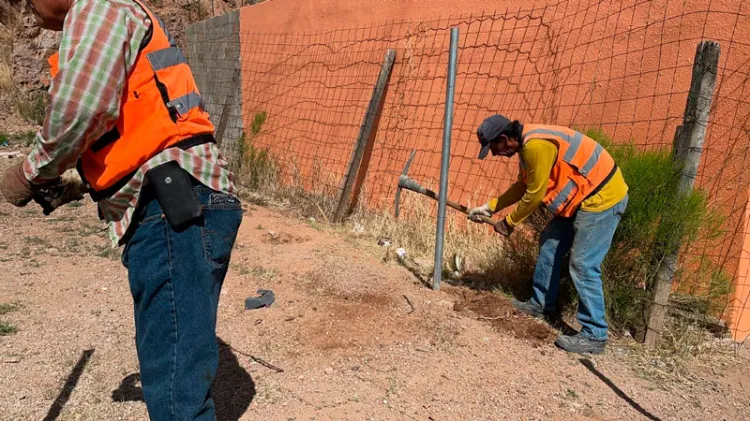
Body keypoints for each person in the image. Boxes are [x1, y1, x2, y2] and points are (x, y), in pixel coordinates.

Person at [0, 0, 242, 419]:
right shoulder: (114, 13)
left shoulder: (95, 7)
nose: (26, 8)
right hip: (181, 199)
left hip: (169, 205)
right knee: (174, 368)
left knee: (175, 398)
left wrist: (30, 172)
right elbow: (130, 126)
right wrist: (78, 182)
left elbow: (80, 109)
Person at [468, 114, 628, 355]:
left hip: (602, 198)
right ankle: (541, 304)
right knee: (550, 244)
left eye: (494, 147)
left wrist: (509, 223)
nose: (494, 153)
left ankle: (595, 334)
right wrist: (490, 207)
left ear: (504, 138)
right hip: (582, 197)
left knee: (583, 264)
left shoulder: (536, 146)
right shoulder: (525, 144)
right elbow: (522, 185)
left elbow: (534, 194)